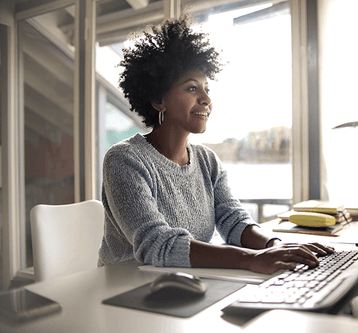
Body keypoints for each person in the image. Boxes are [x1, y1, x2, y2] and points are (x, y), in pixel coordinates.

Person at [98, 16, 334, 274]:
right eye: (191, 88)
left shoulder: (207, 161)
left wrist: (276, 245)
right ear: (158, 99)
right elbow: (156, 245)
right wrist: (250, 259)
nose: (207, 99)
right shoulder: (124, 160)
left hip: (188, 284)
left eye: (206, 89)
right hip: (125, 289)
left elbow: (234, 221)